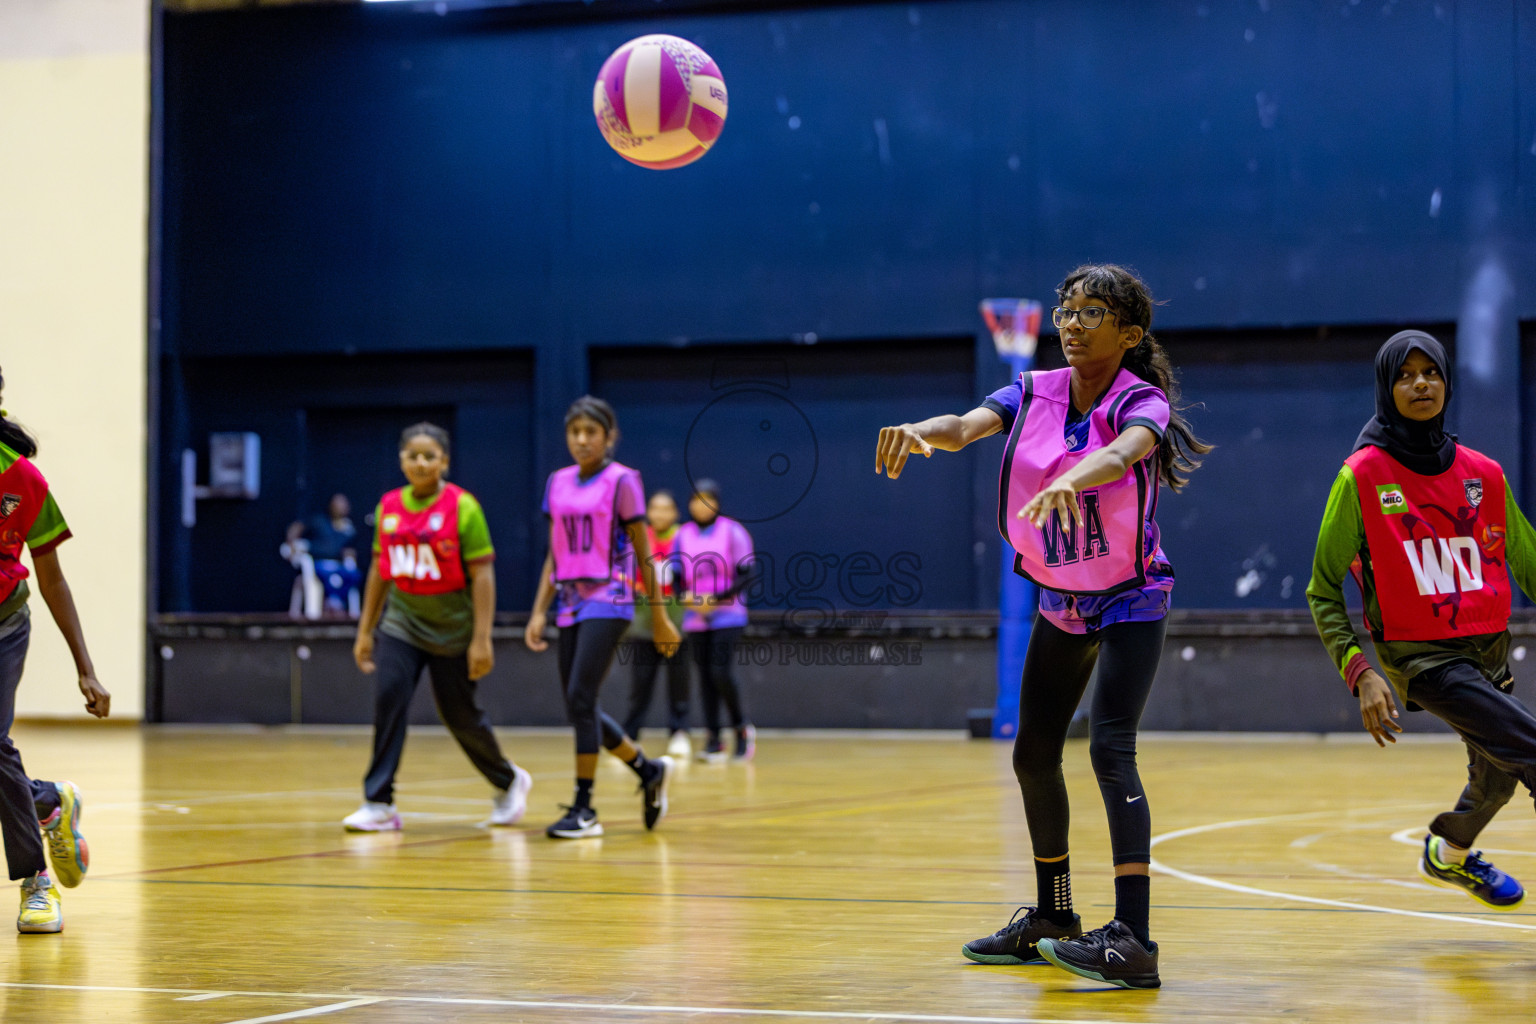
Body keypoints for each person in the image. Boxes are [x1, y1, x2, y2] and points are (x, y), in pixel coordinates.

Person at [876, 264, 1209, 990]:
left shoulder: (1138, 400)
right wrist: (919, 432)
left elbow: (1130, 449)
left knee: (1111, 751)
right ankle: (1055, 917)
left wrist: (1076, 474)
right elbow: (965, 427)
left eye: (1092, 311)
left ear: (1130, 333)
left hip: (1129, 594)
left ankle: (1135, 941)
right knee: (1033, 754)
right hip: (1064, 595)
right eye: (1068, 308)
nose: (1072, 320)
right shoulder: (1032, 391)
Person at [1308, 330, 1536, 911]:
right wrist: (1360, 672)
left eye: (1430, 373)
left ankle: (1449, 852)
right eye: (1405, 375)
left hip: (1488, 652)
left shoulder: (1484, 473)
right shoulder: (1360, 476)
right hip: (1425, 661)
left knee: (1498, 777)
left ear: (1446, 382)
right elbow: (1322, 588)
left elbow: (1530, 567)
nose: (1420, 384)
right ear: (1387, 389)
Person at [344, 423, 530, 832]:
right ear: (402, 460)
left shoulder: (464, 508)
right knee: (389, 698)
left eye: (430, 456)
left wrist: (482, 639)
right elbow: (380, 568)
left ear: (444, 461)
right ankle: (379, 803)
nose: (421, 462)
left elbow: (483, 575)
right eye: (413, 455)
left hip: (453, 630)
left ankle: (508, 779)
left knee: (460, 716)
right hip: (402, 623)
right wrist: (365, 630)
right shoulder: (389, 506)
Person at [525, 397, 681, 839]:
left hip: (610, 596)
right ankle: (648, 771)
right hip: (569, 600)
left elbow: (644, 550)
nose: (581, 440)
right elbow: (555, 551)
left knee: (580, 696)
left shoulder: (623, 481)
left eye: (590, 432)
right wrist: (539, 610)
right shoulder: (557, 482)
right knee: (580, 704)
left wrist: (660, 616)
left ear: (609, 436)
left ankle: (584, 806)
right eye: (574, 432)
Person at [0, 372, 111, 934]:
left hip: (3, 624)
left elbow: (53, 578)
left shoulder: (22, 480)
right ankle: (47, 802)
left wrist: (85, 670)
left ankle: (35, 882)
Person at [676, 479, 756, 763]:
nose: (701, 505)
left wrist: (717, 598)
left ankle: (742, 730)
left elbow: (746, 574)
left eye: (707, 499)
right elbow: (675, 576)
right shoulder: (683, 535)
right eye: (696, 499)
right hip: (696, 617)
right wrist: (684, 596)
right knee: (705, 677)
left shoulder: (733, 532)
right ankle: (713, 738)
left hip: (728, 614)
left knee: (721, 671)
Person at [620, 490, 692, 759]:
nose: (660, 514)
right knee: (640, 683)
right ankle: (630, 735)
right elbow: (625, 572)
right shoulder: (638, 537)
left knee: (679, 680)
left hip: (676, 622)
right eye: (655, 508)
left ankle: (679, 732)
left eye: (666, 509)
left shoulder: (683, 537)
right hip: (642, 622)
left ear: (675, 513)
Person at [283, 494, 361, 620]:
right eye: (338, 504)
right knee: (329, 575)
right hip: (318, 564)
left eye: (344, 504)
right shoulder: (319, 520)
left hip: (339, 565)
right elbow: (297, 527)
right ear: (331, 506)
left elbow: (349, 549)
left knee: (354, 575)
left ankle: (336, 601)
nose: (341, 507)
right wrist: (290, 542)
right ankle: (333, 602)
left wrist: (349, 554)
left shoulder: (349, 528)